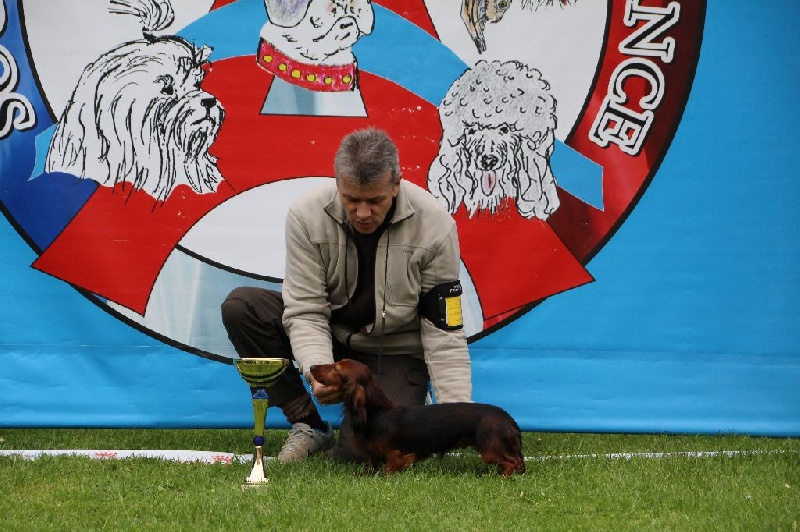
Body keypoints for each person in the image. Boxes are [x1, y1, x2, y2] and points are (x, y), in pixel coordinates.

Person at [221, 127, 472, 463]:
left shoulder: (437, 225)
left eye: (375, 200)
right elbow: (306, 310)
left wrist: (456, 421)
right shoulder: (305, 215)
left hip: (394, 352)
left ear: (397, 184)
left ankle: (402, 409)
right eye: (351, 199)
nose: (363, 212)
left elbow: (444, 330)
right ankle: (309, 425)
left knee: (367, 455)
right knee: (242, 307)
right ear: (337, 182)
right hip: (333, 346)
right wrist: (317, 370)